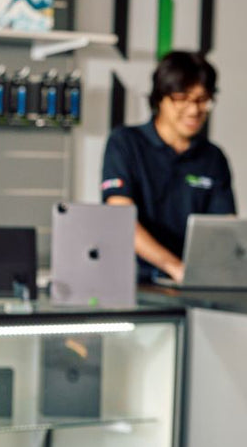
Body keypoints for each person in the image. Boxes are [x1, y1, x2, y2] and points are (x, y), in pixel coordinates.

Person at [100, 51, 235, 283]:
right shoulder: (125, 143)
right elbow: (119, 217)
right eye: (182, 98)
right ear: (160, 98)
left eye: (203, 100)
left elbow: (225, 228)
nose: (194, 110)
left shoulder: (213, 157)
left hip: (193, 285)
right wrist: (174, 267)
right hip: (133, 282)